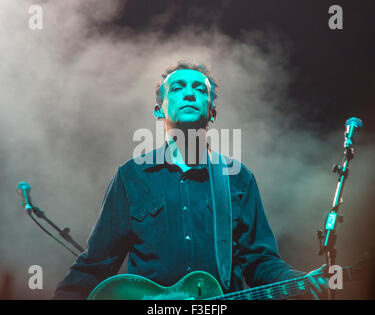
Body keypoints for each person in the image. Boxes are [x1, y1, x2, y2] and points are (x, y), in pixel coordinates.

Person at [53, 61, 328, 300]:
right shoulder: (132, 175)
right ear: (158, 110)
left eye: (199, 90)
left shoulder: (237, 177)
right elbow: (96, 263)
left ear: (212, 113)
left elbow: (260, 260)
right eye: (178, 88)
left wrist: (295, 280)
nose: (189, 94)